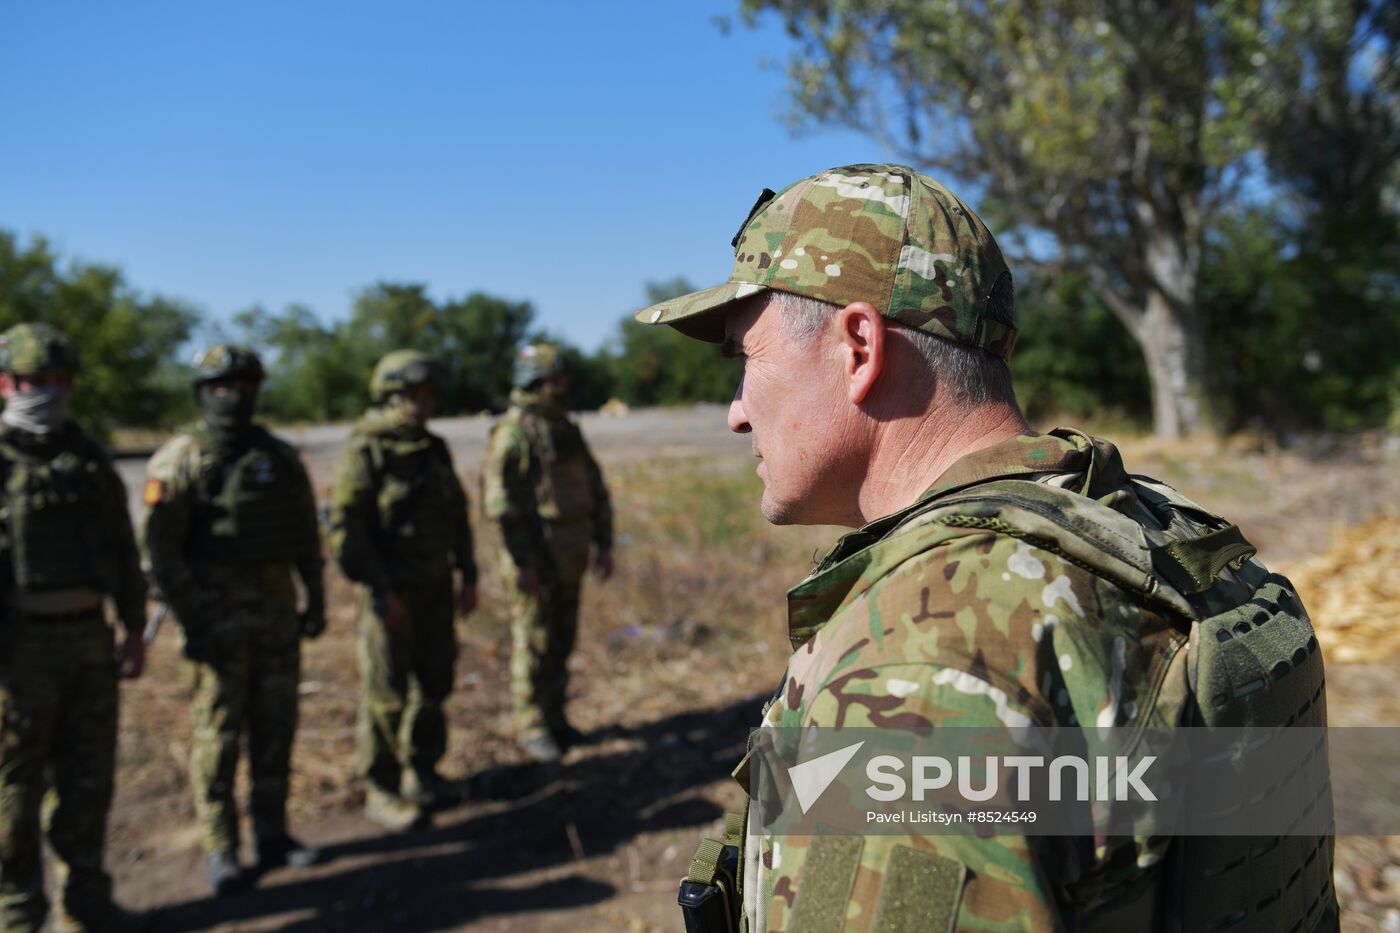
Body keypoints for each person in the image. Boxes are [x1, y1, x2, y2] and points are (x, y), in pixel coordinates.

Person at [637, 164, 1338, 932]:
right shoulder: (1159, 531)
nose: (737, 412)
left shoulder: (919, 661)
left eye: (746, 357)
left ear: (859, 348)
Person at [142, 345, 325, 896]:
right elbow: (160, 553)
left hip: (275, 620)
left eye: (245, 386)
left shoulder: (281, 458)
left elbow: (303, 537)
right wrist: (193, 621)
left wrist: (313, 599)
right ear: (203, 392)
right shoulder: (181, 458)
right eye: (223, 386)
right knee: (217, 738)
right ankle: (221, 846)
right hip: (215, 625)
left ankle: (272, 833)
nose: (235, 396)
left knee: (275, 729)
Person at [0, 323, 147, 932]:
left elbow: (122, 546)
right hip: (15, 652)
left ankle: (86, 906)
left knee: (88, 782)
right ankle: (17, 915)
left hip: (89, 640)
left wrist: (134, 628)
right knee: (14, 796)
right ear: (6, 383)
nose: (51, 393)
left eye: (61, 381)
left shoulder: (86, 460)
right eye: (37, 381)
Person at [329, 350, 477, 831]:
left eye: (429, 396)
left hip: (435, 585)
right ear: (390, 395)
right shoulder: (366, 449)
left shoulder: (433, 448)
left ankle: (423, 772)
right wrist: (379, 589)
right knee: (387, 695)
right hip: (390, 591)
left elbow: (456, 515)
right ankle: (382, 789)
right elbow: (348, 530)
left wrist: (468, 574)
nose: (422, 405)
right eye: (412, 395)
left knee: (434, 684)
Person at [482, 344, 613, 763]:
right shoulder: (515, 432)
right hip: (536, 561)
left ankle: (555, 716)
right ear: (535, 382)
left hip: (570, 555)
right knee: (534, 642)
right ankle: (532, 724)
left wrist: (604, 544)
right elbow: (502, 508)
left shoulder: (564, 427)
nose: (565, 387)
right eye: (558, 380)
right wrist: (523, 564)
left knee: (562, 639)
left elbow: (594, 488)